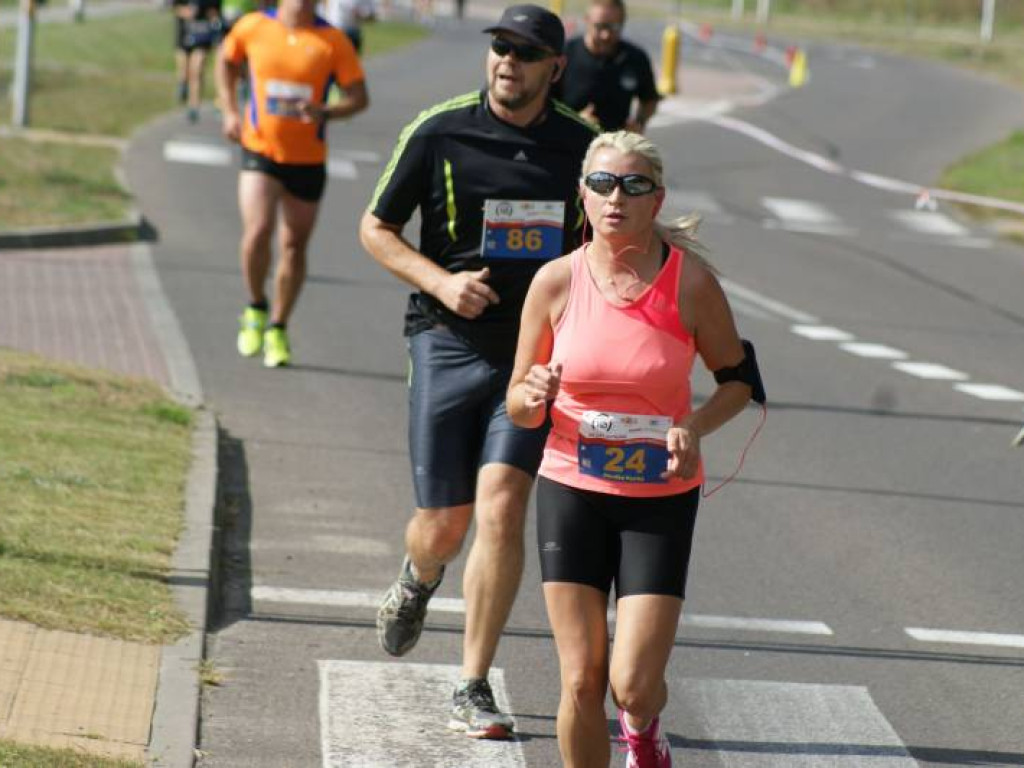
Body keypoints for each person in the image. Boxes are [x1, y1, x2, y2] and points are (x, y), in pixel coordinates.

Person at [360, 3, 597, 740]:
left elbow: (607, 244)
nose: (507, 63)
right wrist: (441, 283)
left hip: (533, 357)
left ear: (554, 68)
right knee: (443, 524)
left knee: (500, 507)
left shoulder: (580, 149)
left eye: (526, 54)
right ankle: (417, 577)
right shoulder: (439, 130)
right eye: (500, 48)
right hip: (446, 338)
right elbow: (376, 227)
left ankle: (472, 682)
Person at [507, 130, 761, 768]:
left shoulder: (690, 285)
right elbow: (515, 399)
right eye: (601, 184)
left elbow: (739, 384)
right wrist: (531, 393)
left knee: (632, 684)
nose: (615, 197)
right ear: (582, 196)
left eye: (633, 185)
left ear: (657, 199)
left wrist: (696, 428)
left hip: (659, 498)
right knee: (580, 680)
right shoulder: (554, 282)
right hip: (571, 486)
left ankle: (644, 727)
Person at [216, 0, 368, 367]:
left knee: (293, 246)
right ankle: (255, 307)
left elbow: (359, 97)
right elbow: (226, 62)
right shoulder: (253, 26)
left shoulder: (333, 41)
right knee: (258, 231)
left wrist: (326, 112)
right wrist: (230, 111)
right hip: (260, 149)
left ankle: (278, 326)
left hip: (307, 159)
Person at [556, 0, 659, 133]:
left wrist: (639, 122)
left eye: (614, 27)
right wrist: (576, 120)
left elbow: (649, 99)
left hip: (614, 146)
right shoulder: (565, 54)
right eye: (600, 26)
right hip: (566, 142)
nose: (606, 35)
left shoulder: (635, 58)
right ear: (587, 20)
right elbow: (543, 102)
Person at [173, 0, 223, 123]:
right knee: (184, 71)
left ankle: (193, 106)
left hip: (202, 36)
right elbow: (175, 7)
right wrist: (186, 12)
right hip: (184, 35)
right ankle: (183, 84)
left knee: (197, 70)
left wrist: (213, 21)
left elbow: (215, 12)